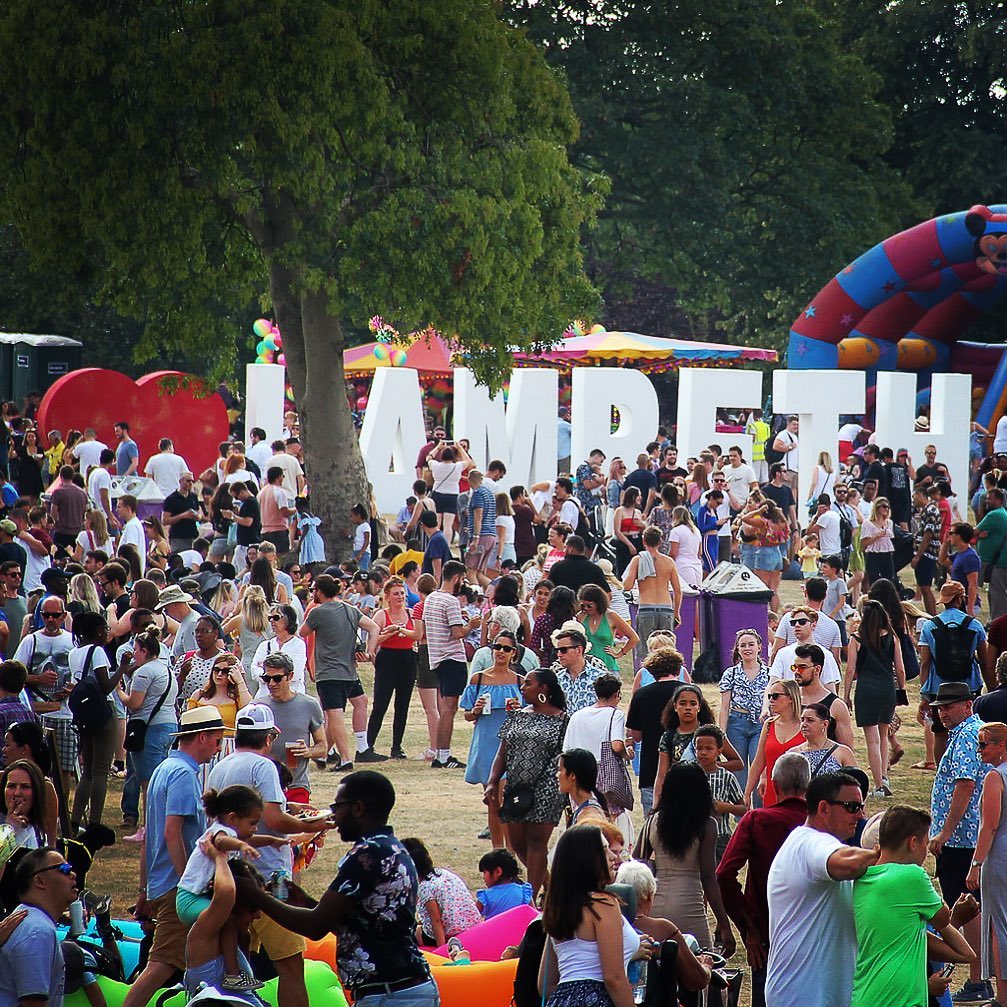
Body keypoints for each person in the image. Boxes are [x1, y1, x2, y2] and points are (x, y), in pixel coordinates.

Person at [237, 770, 438, 1006]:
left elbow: (315, 927)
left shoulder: (367, 855)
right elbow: (355, 924)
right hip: (401, 989)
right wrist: (306, 902)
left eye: (337, 807)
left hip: (392, 994)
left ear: (358, 808)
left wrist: (256, 896)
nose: (333, 816)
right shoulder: (391, 848)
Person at [122, 706, 227, 1007]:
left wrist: (144, 889)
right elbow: (171, 833)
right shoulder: (182, 774)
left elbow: (149, 838)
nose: (218, 748)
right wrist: (187, 885)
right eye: (218, 740)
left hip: (160, 882)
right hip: (175, 887)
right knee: (161, 965)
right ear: (203, 737)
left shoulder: (163, 769)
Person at [764, 771, 879, 1007]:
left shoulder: (814, 843)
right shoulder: (811, 843)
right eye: (851, 806)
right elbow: (848, 863)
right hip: (803, 997)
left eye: (861, 806)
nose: (860, 814)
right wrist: (884, 854)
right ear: (824, 808)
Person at [852, 806, 973, 1007]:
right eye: (926, 844)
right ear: (913, 842)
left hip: (865, 995)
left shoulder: (863, 878)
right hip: (901, 1000)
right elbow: (943, 919)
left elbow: (966, 954)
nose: (926, 852)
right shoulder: (911, 876)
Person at [717, 753, 810, 1007]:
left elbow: (724, 874)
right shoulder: (820, 823)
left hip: (767, 933)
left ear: (774, 785)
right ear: (808, 788)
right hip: (813, 936)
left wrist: (750, 928)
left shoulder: (757, 820)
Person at [634, 761, 736, 953]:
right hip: (690, 906)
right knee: (700, 971)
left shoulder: (652, 821)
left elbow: (636, 864)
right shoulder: (706, 825)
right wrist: (724, 924)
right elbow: (708, 877)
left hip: (654, 906)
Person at [927, 681, 988, 1002]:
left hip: (961, 840)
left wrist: (944, 833)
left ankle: (977, 978)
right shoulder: (969, 732)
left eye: (948, 707)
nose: (942, 712)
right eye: (939, 707)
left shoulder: (966, 736)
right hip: (967, 838)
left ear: (967, 705)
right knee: (969, 907)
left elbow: (964, 785)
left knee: (966, 909)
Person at [483, 669, 568, 896]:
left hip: (547, 788)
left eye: (528, 684)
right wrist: (492, 782)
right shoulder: (517, 716)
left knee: (536, 843)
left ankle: (530, 898)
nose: (522, 688)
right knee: (518, 844)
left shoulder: (563, 720)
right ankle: (550, 887)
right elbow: (502, 753)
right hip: (517, 787)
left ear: (544, 689)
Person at [175, 784, 266, 993]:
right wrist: (239, 848)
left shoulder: (232, 834)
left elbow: (252, 839)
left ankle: (236, 973)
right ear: (232, 818)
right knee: (230, 920)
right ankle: (232, 976)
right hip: (189, 899)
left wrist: (276, 840)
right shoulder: (218, 832)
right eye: (252, 823)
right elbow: (221, 842)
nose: (255, 829)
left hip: (196, 897)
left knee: (234, 925)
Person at [537, 824, 639, 1007]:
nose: (613, 856)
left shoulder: (558, 909)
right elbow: (613, 978)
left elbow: (545, 985)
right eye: (604, 849)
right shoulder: (602, 904)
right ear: (585, 860)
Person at [300, 573, 379, 771]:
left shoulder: (318, 612)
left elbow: (302, 633)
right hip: (350, 672)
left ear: (319, 591)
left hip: (328, 672)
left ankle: (345, 758)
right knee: (353, 706)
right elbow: (374, 628)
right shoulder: (350, 609)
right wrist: (370, 652)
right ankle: (324, 753)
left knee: (334, 716)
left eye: (313, 590)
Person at [461, 630, 524, 847]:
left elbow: (530, 715)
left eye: (506, 649)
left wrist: (519, 709)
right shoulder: (478, 679)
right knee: (492, 801)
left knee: (506, 797)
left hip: (510, 745)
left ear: (513, 653)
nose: (501, 652)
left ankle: (511, 850)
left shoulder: (520, 681)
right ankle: (498, 850)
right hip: (486, 742)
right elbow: (467, 714)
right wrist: (476, 710)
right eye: (497, 647)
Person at [116, 626, 178, 843]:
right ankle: (159, 825)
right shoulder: (166, 669)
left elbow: (135, 703)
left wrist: (120, 692)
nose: (133, 653)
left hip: (150, 729)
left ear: (144, 650)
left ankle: (149, 829)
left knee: (148, 783)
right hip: (170, 727)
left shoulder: (144, 671)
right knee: (163, 781)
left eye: (136, 649)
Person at [920, 582, 990, 763]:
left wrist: (924, 696)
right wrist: (991, 687)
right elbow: (984, 660)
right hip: (969, 687)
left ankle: (942, 773)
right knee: (971, 730)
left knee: (940, 733)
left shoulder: (930, 626)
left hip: (939, 688)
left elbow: (925, 663)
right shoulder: (974, 625)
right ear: (961, 599)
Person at [843, 599, 906, 797]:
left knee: (872, 741)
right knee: (884, 735)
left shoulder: (857, 639)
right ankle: (884, 776)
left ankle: (878, 785)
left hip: (866, 689)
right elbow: (900, 668)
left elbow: (851, 670)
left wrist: (846, 695)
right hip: (887, 687)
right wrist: (901, 689)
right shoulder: (892, 637)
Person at [68, 611, 125, 831]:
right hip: (102, 711)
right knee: (101, 770)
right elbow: (106, 686)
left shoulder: (75, 652)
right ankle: (95, 822)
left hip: (84, 712)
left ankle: (74, 820)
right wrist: (122, 667)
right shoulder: (98, 652)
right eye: (105, 629)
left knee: (88, 771)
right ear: (99, 631)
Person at [13, 595, 75, 796]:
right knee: (36, 768)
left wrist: (73, 688)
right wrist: (37, 678)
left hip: (64, 713)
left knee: (64, 769)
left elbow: (82, 675)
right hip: (36, 712)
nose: (50, 619)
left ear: (63, 616)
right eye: (46, 615)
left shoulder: (72, 641)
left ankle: (61, 814)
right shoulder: (31, 641)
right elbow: (12, 675)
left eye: (55, 615)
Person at [0, 847, 77, 1007]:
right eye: (63, 869)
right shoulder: (38, 931)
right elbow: (33, 1004)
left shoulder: (28, 919)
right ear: (40, 881)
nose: (73, 873)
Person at [422, 560, 480, 769]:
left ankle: (440, 752)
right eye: (462, 579)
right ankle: (444, 755)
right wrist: (471, 625)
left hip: (437, 657)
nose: (462, 583)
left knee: (444, 707)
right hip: (451, 658)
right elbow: (457, 633)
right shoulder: (451, 601)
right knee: (449, 709)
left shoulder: (431, 599)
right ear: (456, 578)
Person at [628, 648, 686, 814]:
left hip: (650, 764)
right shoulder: (688, 693)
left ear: (652, 672)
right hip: (684, 764)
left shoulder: (641, 695)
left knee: (653, 821)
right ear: (677, 669)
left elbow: (637, 736)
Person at [402, 836, 481, 947]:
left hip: (451, 934)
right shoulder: (444, 873)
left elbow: (436, 921)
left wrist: (441, 949)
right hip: (471, 927)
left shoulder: (425, 888)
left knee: (413, 932)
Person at [718, 629, 771, 791]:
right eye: (743, 645)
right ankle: (740, 812)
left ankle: (759, 813)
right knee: (738, 770)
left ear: (759, 647)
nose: (747, 648)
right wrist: (722, 733)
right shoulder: (731, 673)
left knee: (758, 766)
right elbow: (724, 706)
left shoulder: (769, 673)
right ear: (738, 650)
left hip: (760, 724)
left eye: (751, 645)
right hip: (737, 723)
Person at [622, 526, 682, 660]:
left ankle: (648, 678)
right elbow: (677, 590)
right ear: (660, 542)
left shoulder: (638, 560)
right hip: (666, 608)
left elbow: (627, 586)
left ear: (643, 541)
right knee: (668, 649)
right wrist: (676, 612)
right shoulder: (668, 562)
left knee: (646, 650)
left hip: (646, 608)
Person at [744, 679, 804, 808]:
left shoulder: (805, 727)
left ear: (791, 698)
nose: (771, 700)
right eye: (769, 696)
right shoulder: (769, 725)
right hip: (772, 792)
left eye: (776, 696)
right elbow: (759, 762)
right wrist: (747, 793)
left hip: (799, 796)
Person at [692, 724, 747, 861]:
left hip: (719, 837)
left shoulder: (727, 777)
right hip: (692, 835)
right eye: (699, 748)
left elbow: (744, 809)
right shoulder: (688, 774)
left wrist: (726, 807)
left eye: (709, 749)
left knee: (718, 876)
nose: (703, 752)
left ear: (719, 751)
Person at [248, 605, 305, 698]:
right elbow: (254, 672)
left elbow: (296, 674)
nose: (272, 621)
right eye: (270, 618)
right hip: (265, 697)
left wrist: (267, 671)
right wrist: (278, 675)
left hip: (292, 696)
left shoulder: (299, 645)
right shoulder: (264, 645)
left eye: (276, 617)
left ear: (288, 619)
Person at [794, 702, 858, 776]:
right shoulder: (794, 753)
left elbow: (855, 783)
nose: (804, 724)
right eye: (802, 720)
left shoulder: (842, 752)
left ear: (824, 724)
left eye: (810, 720)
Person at [0, 759, 49, 850]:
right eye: (11, 786)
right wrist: (8, 831)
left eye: (25, 787)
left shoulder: (38, 830)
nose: (17, 793)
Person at [161, 471, 201, 553]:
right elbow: (164, 520)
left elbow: (200, 515)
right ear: (180, 481)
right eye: (188, 481)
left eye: (192, 481)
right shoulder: (171, 499)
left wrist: (196, 516)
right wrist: (182, 516)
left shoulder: (193, 497)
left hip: (193, 536)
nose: (190, 483)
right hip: (178, 537)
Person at [861, 496, 896, 587]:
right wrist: (876, 536)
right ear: (877, 508)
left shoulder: (889, 523)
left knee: (889, 579)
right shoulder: (868, 523)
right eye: (884, 506)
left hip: (886, 553)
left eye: (888, 507)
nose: (886, 509)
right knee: (874, 580)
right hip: (873, 554)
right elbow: (863, 543)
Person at [611, 485, 646, 575]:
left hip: (637, 539)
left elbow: (642, 530)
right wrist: (629, 545)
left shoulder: (638, 512)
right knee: (623, 568)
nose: (640, 498)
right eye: (638, 495)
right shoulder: (620, 511)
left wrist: (642, 525)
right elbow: (617, 531)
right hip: (625, 541)